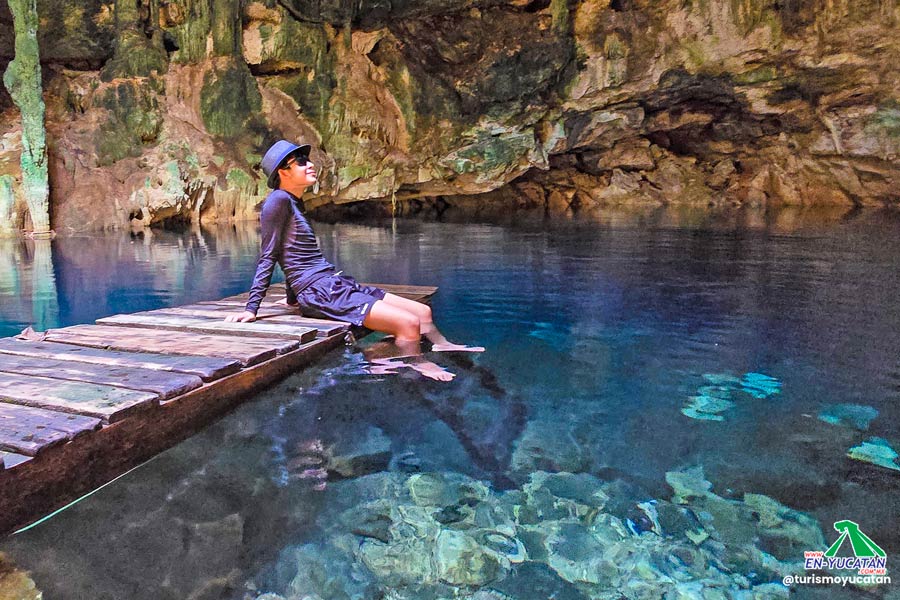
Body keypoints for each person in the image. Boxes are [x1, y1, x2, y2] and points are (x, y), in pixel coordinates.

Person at [226, 140, 483, 381]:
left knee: (422, 312)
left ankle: (441, 345)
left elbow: (294, 254)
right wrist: (252, 309)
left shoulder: (293, 202)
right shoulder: (278, 201)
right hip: (320, 291)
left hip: (331, 283)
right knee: (408, 323)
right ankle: (411, 362)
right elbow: (269, 254)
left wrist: (293, 299)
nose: (311, 164)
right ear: (284, 171)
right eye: (302, 161)